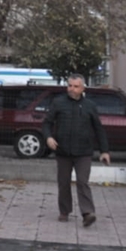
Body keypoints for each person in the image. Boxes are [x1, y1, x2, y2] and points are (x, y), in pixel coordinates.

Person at [41, 74, 110, 227]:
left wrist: (104, 151)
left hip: (84, 152)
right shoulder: (58, 103)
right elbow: (46, 123)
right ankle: (64, 211)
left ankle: (87, 213)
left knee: (82, 182)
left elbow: (99, 129)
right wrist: (48, 138)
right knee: (64, 183)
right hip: (63, 151)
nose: (72, 89)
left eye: (76, 86)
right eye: (70, 86)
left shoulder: (90, 106)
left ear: (83, 88)